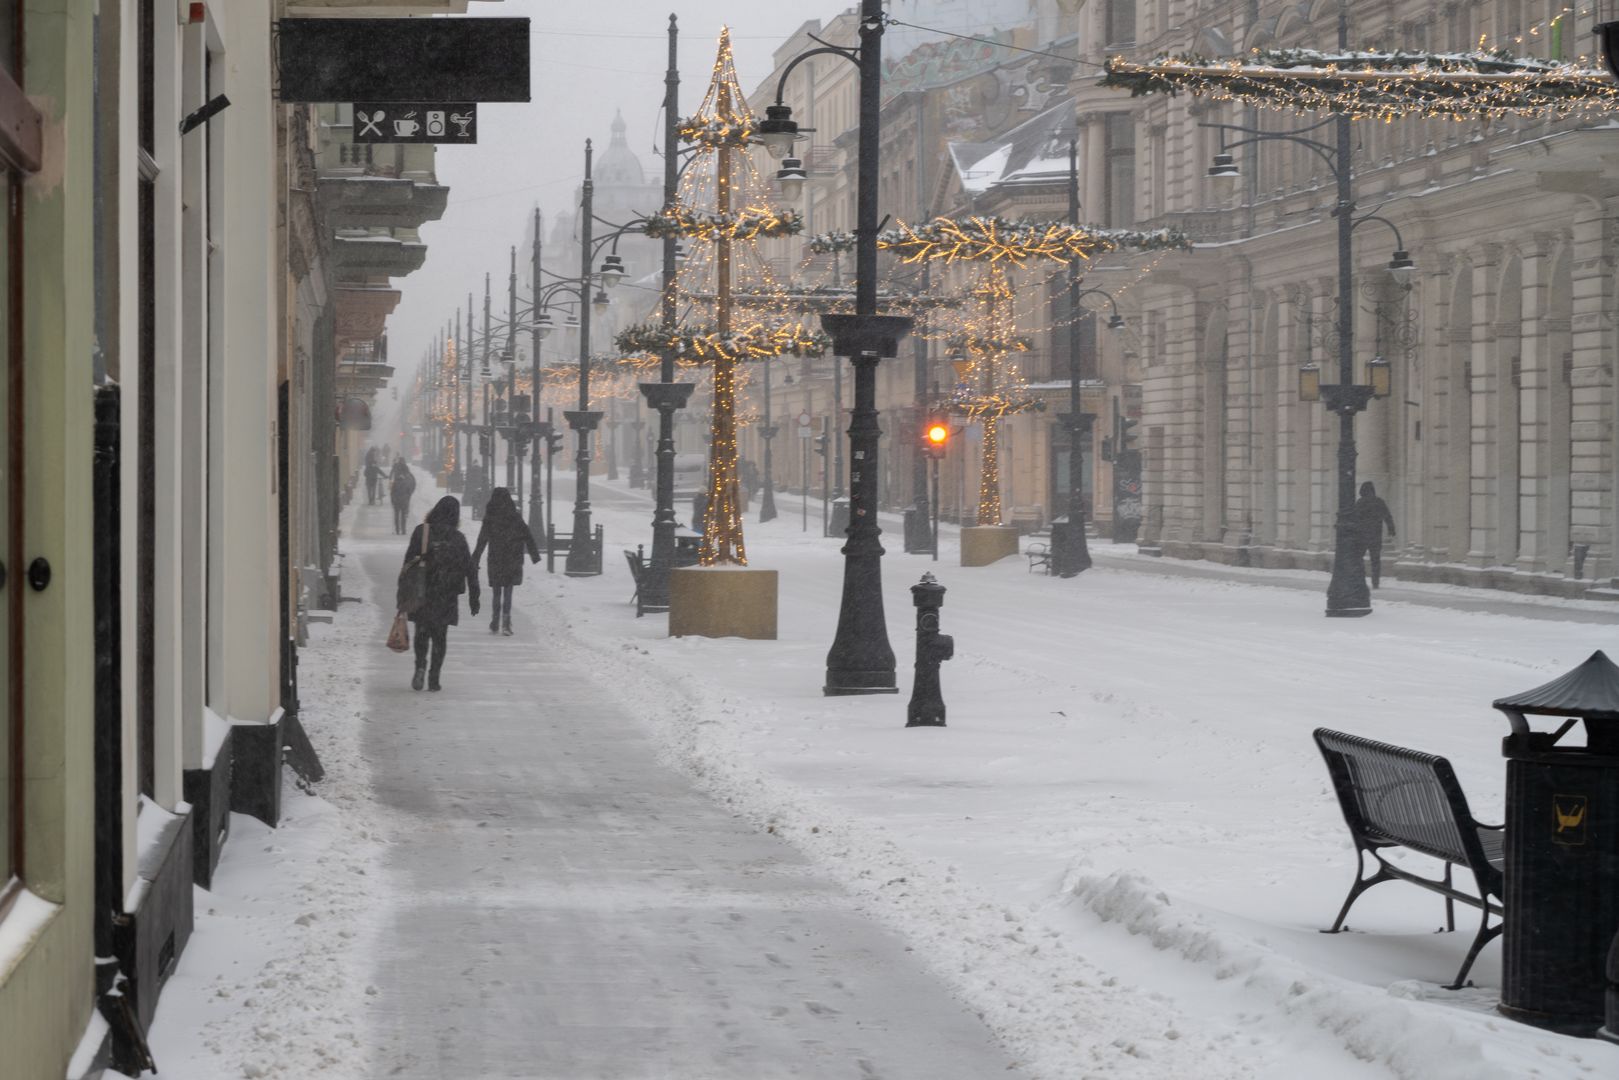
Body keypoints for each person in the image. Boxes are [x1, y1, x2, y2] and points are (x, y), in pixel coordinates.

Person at [402, 496, 479, 691]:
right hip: (447, 594)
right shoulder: (458, 538)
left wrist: (403, 591)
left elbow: (408, 562)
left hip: (422, 591)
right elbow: (470, 568)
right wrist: (474, 596)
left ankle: (420, 666)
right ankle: (434, 677)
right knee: (440, 636)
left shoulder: (422, 532)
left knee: (422, 632)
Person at [472, 487, 541, 636]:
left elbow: (482, 539)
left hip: (496, 558)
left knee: (497, 591)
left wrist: (475, 558)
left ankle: (495, 620)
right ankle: (506, 621)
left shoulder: (490, 517)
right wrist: (534, 555)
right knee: (508, 590)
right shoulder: (515, 516)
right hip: (512, 558)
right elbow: (527, 535)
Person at [1349, 480, 1397, 588]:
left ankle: (1359, 578)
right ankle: (1375, 582)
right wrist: (1391, 529)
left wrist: (1353, 532)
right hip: (1375, 535)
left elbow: (1354, 518)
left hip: (1362, 536)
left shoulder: (1360, 503)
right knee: (1375, 560)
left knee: (1358, 558)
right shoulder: (1379, 502)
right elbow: (1387, 516)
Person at [389, 457, 416, 535]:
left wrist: (393, 501)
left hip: (397, 502)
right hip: (404, 501)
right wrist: (407, 502)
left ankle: (397, 530)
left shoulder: (395, 483)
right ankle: (403, 530)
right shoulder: (406, 483)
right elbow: (409, 493)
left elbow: (392, 493)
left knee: (396, 516)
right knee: (403, 516)